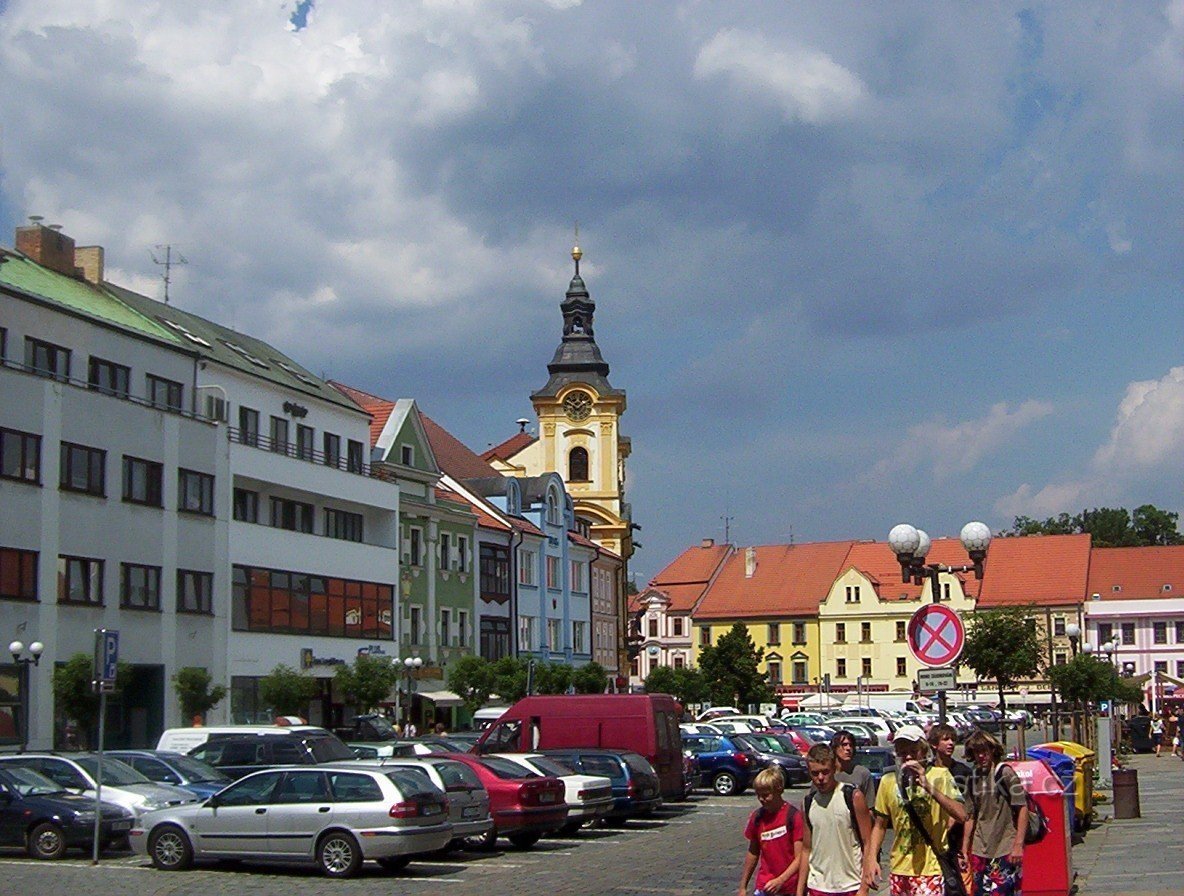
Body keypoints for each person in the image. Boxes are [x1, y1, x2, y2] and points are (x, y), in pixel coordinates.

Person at [867, 724, 967, 896]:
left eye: (913, 751)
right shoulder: (888, 781)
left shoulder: (940, 775)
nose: (908, 757)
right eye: (902, 752)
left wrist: (928, 786)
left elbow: (962, 814)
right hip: (899, 867)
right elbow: (880, 825)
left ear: (923, 751)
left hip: (930, 867)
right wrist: (871, 858)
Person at [797, 744, 873, 896]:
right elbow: (806, 849)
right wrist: (800, 891)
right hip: (817, 886)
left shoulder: (852, 797)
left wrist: (864, 887)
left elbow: (868, 843)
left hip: (850, 885)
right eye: (815, 773)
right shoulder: (808, 803)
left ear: (834, 768)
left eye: (825, 772)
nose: (820, 778)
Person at [962, 730, 1027, 896]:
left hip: (1004, 846)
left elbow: (1022, 808)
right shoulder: (973, 777)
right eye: (976, 752)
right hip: (979, 848)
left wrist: (1018, 845)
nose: (981, 756)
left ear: (993, 751)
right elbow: (970, 815)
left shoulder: (1004, 773)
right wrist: (964, 848)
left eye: (984, 751)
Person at [738, 766, 804, 896]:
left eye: (766, 795)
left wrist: (781, 880)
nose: (762, 799)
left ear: (779, 790)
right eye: (759, 795)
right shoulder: (757, 817)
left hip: (788, 888)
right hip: (765, 885)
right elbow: (753, 852)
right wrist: (743, 887)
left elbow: (800, 857)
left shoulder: (793, 816)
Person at [929, 723, 973, 878]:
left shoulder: (963, 772)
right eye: (946, 739)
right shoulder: (926, 772)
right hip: (932, 840)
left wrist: (964, 848)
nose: (951, 743)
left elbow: (969, 811)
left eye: (953, 740)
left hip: (956, 839)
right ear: (934, 744)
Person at [832, 729, 877, 809]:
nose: (848, 748)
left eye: (851, 745)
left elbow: (870, 807)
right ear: (835, 748)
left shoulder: (863, 773)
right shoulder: (826, 773)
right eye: (844, 745)